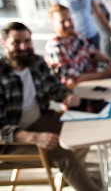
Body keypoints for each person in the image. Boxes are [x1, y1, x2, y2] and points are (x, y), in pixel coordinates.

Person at [0, 22, 99, 191]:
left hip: (41, 120)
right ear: (4, 44)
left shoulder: (36, 62)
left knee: (85, 130)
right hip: (10, 141)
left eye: (27, 41)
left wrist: (67, 96)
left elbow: (54, 87)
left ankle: (74, 175)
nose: (24, 47)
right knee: (66, 156)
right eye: (16, 42)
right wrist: (34, 137)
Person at [44, 5, 111, 88]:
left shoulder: (76, 35)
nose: (68, 24)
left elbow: (92, 52)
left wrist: (109, 60)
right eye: (62, 21)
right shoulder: (54, 48)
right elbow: (72, 80)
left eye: (69, 19)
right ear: (52, 24)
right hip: (78, 90)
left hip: (93, 81)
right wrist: (103, 74)